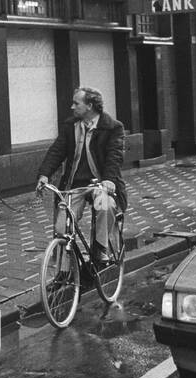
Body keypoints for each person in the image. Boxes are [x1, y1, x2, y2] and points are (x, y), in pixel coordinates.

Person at [35, 87, 128, 267]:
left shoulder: (113, 127)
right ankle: (64, 271)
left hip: (100, 184)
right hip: (74, 185)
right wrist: (44, 174)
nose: (72, 107)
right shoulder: (71, 125)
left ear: (89, 106)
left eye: (76, 103)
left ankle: (101, 249)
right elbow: (56, 151)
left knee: (105, 206)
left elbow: (115, 156)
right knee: (62, 225)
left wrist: (109, 179)